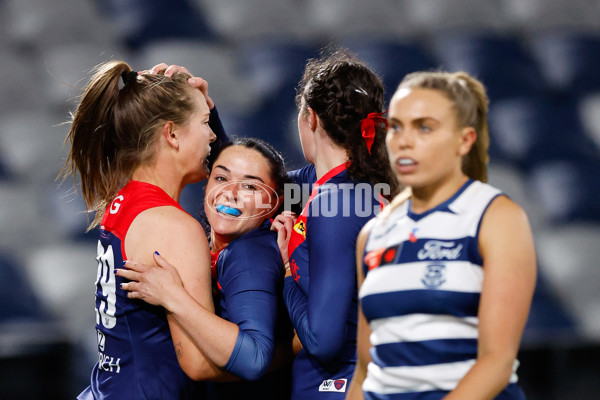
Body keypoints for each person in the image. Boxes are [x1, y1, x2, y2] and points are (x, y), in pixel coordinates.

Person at [346, 71, 537, 400]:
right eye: (395, 126)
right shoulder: (373, 234)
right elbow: (365, 370)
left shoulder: (496, 217)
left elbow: (497, 362)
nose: (404, 141)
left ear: (465, 140)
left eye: (424, 127)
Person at [60, 60, 223, 399]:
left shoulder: (123, 201)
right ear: (172, 133)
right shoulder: (174, 228)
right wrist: (283, 350)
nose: (212, 135)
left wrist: (200, 107)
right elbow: (201, 363)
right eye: (206, 124)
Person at [117, 137, 295, 400]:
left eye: (249, 186)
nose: (230, 193)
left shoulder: (249, 255)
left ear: (273, 202)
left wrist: (172, 296)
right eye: (221, 178)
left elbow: (254, 358)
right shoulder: (207, 246)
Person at [269, 49, 400, 400]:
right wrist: (208, 116)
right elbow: (254, 181)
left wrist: (285, 274)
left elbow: (322, 342)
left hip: (337, 384)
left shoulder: (333, 204)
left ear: (310, 118)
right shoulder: (355, 185)